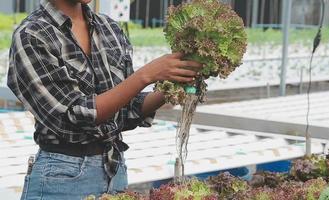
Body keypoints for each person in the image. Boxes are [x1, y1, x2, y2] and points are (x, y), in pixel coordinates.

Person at [7, 0, 202, 199]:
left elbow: (127, 109)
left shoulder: (109, 28)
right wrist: (146, 75)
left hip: (114, 170)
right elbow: (76, 114)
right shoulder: (32, 35)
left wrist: (179, 78)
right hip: (62, 177)